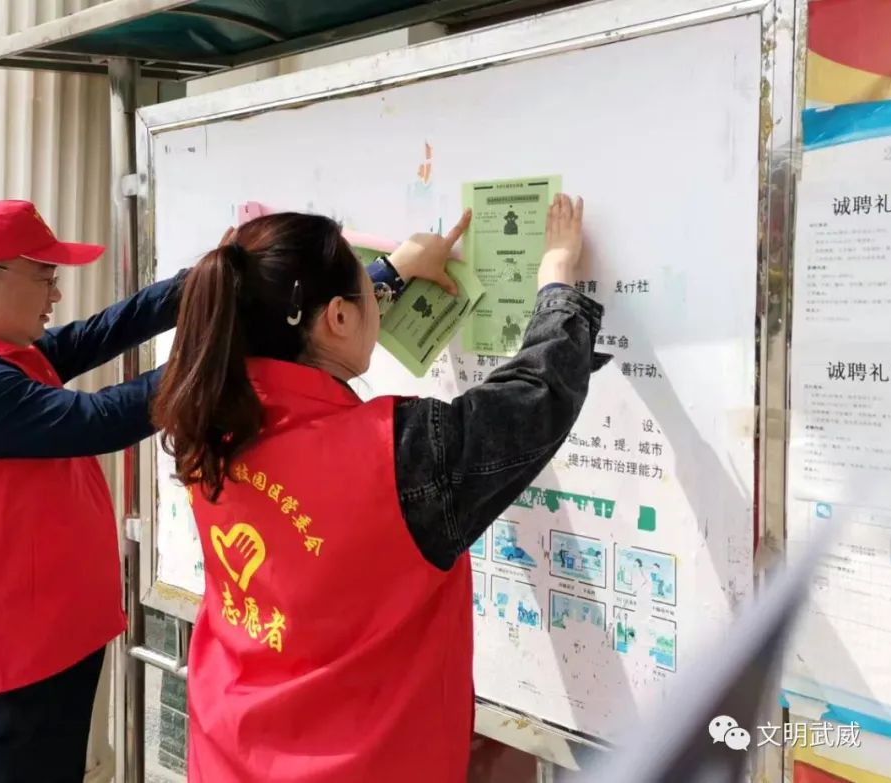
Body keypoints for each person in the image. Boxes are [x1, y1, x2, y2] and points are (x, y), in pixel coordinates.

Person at [0, 198, 447, 783]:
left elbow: (106, 330)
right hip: (4, 664)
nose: (56, 294)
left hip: (44, 639)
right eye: (44, 278)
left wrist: (209, 282)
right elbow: (102, 420)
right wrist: (229, 342)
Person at [151, 193, 608, 782]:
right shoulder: (399, 454)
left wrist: (394, 273)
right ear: (338, 318)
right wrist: (557, 279)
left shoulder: (204, 417)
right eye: (367, 287)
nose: (376, 294)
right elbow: (534, 400)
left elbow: (303, 337)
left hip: (228, 751)